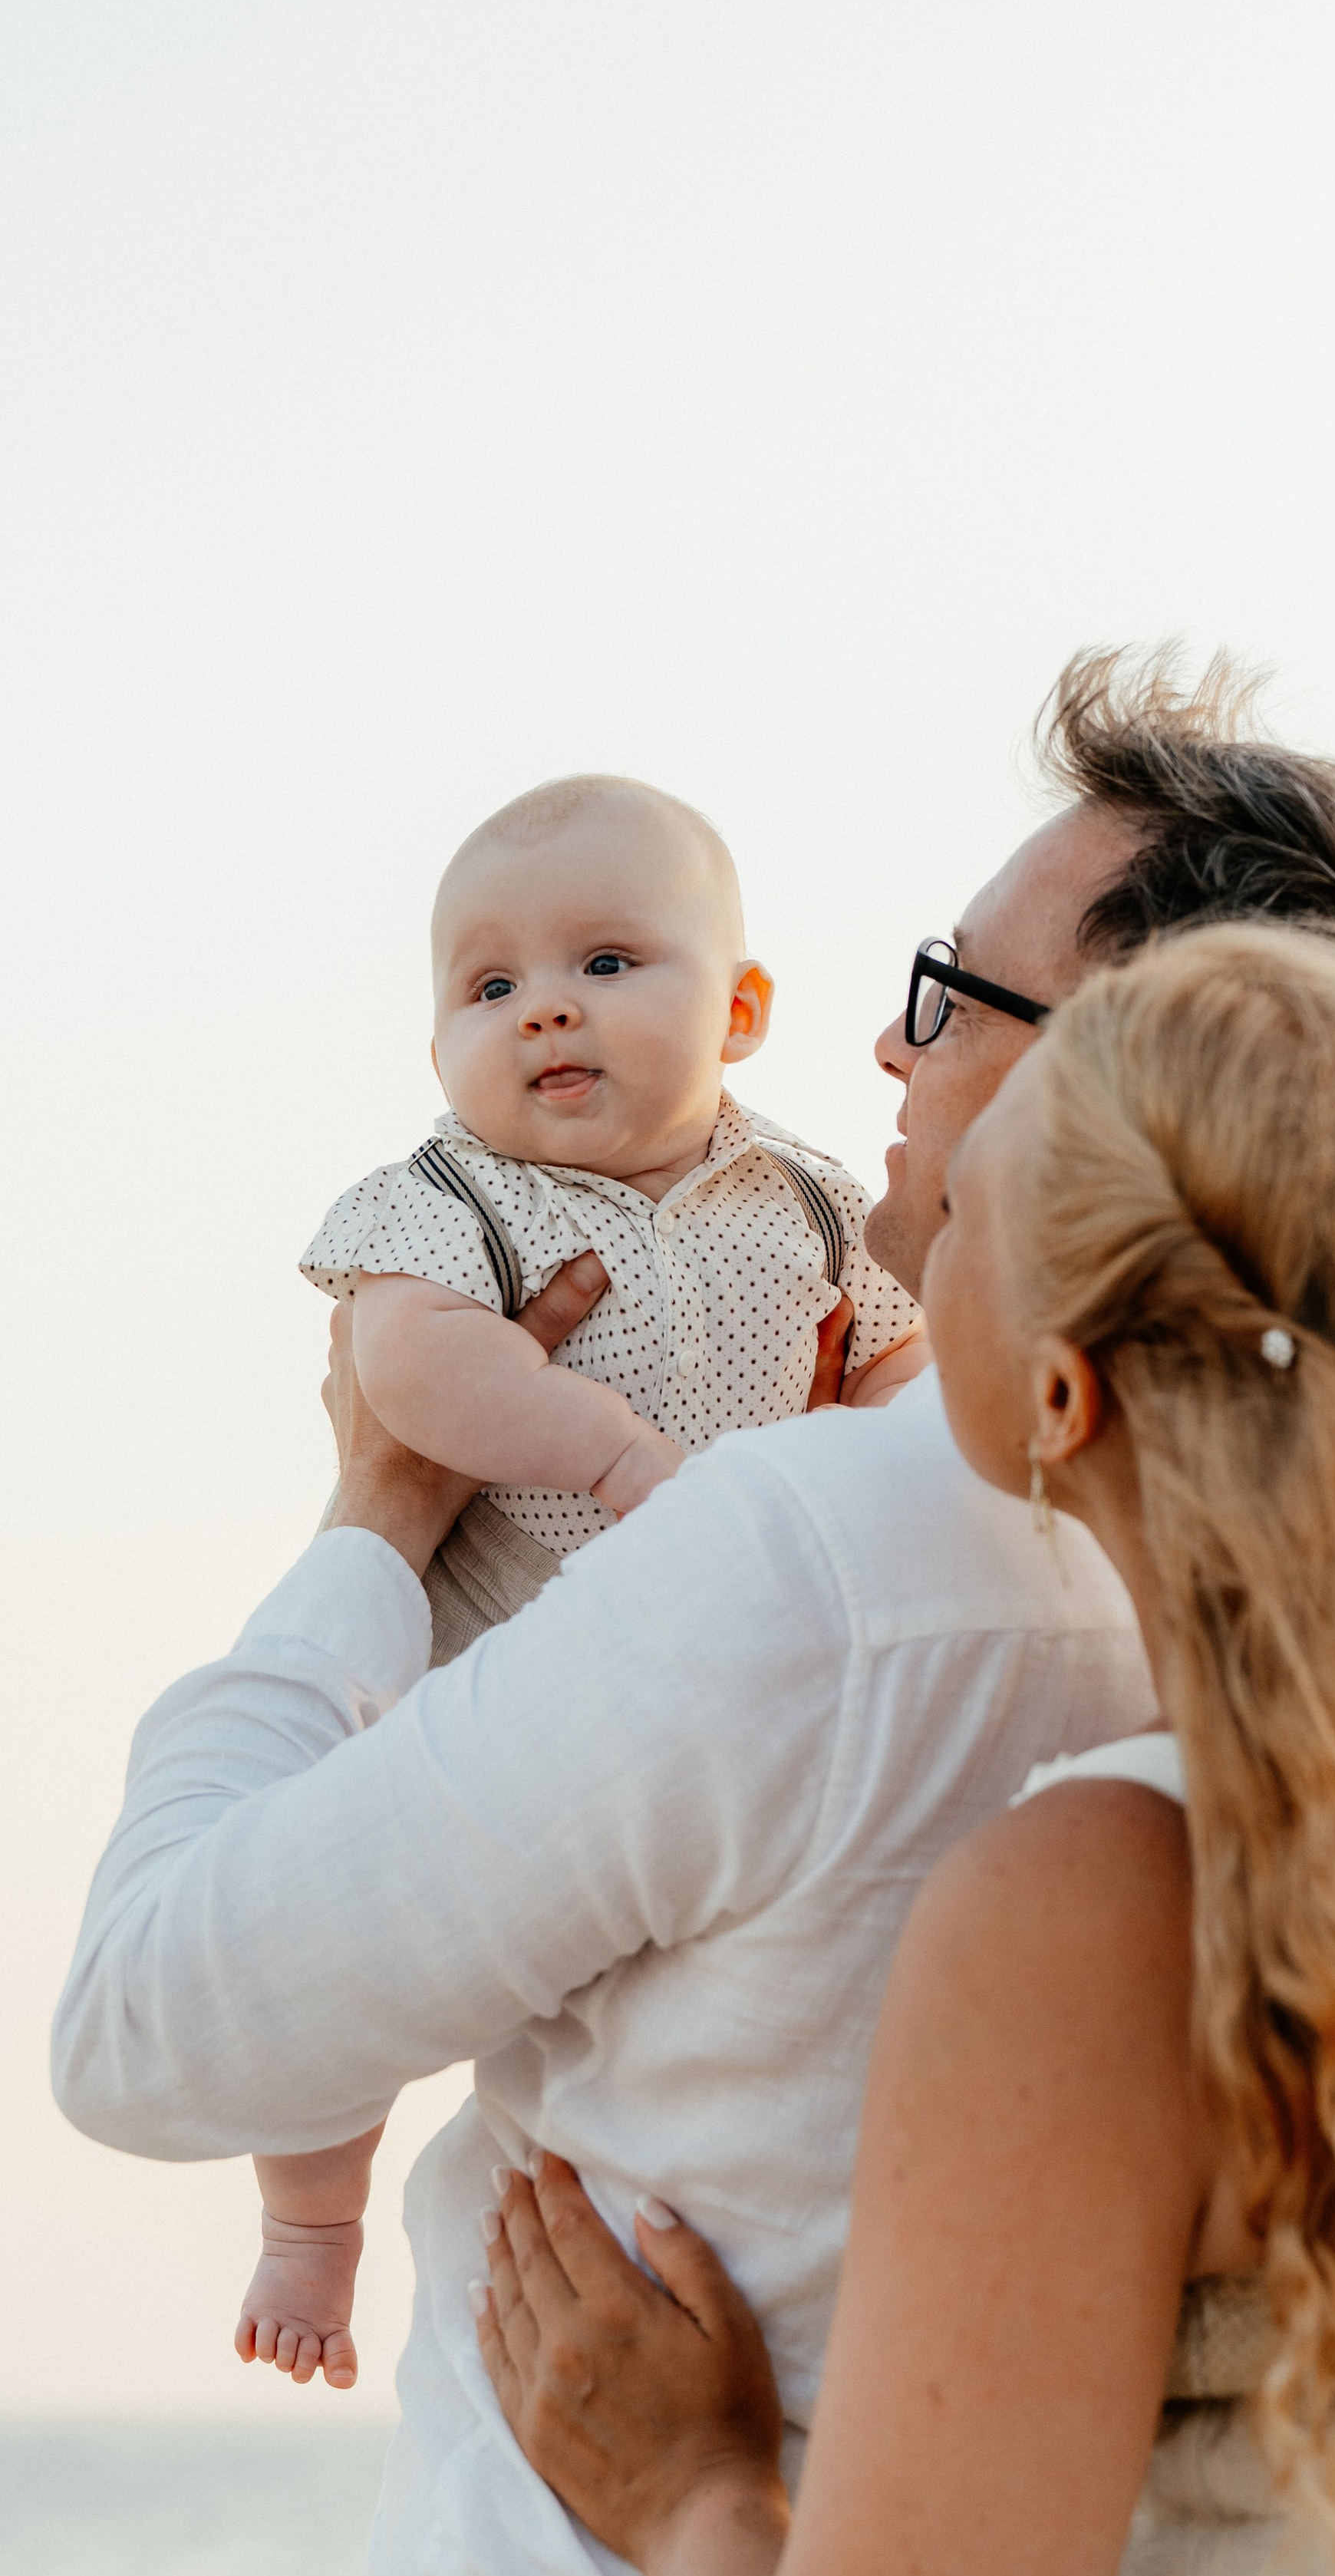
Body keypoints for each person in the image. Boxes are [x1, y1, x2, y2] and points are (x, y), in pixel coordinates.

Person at [52, 652, 1335, 2576]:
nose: (889, 1052)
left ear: (1139, 1090)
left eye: (954, 994)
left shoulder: (822, 1570)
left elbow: (147, 2028)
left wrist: (375, 1515)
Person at [473, 923, 1335, 2576]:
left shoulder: (1105, 1899)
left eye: (958, 1221)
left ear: (1057, 1392)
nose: (922, 1246)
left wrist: (692, 2497)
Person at [245, 773, 922, 2388]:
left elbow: (901, 1369)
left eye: (606, 963)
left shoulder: (817, 1199)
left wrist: (890, 1469)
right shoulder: (451, 1196)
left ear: (739, 1011)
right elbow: (407, 1365)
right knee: (332, 1925)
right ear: (438, 1049)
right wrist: (610, 1455)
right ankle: (310, 2223)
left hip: (712, 1671)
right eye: (489, 986)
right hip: (484, 1635)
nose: (544, 1006)